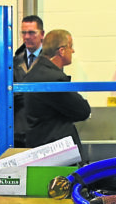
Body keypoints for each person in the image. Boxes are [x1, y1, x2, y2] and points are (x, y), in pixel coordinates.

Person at [21, 28, 91, 159]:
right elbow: (82, 111)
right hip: (56, 152)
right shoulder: (53, 79)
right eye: (71, 46)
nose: (73, 51)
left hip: (40, 147)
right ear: (62, 50)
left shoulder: (34, 73)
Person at [12, 14, 43, 146]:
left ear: (42, 34)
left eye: (31, 33)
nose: (26, 37)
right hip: (19, 132)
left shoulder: (52, 60)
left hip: (42, 130)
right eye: (24, 33)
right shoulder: (14, 62)